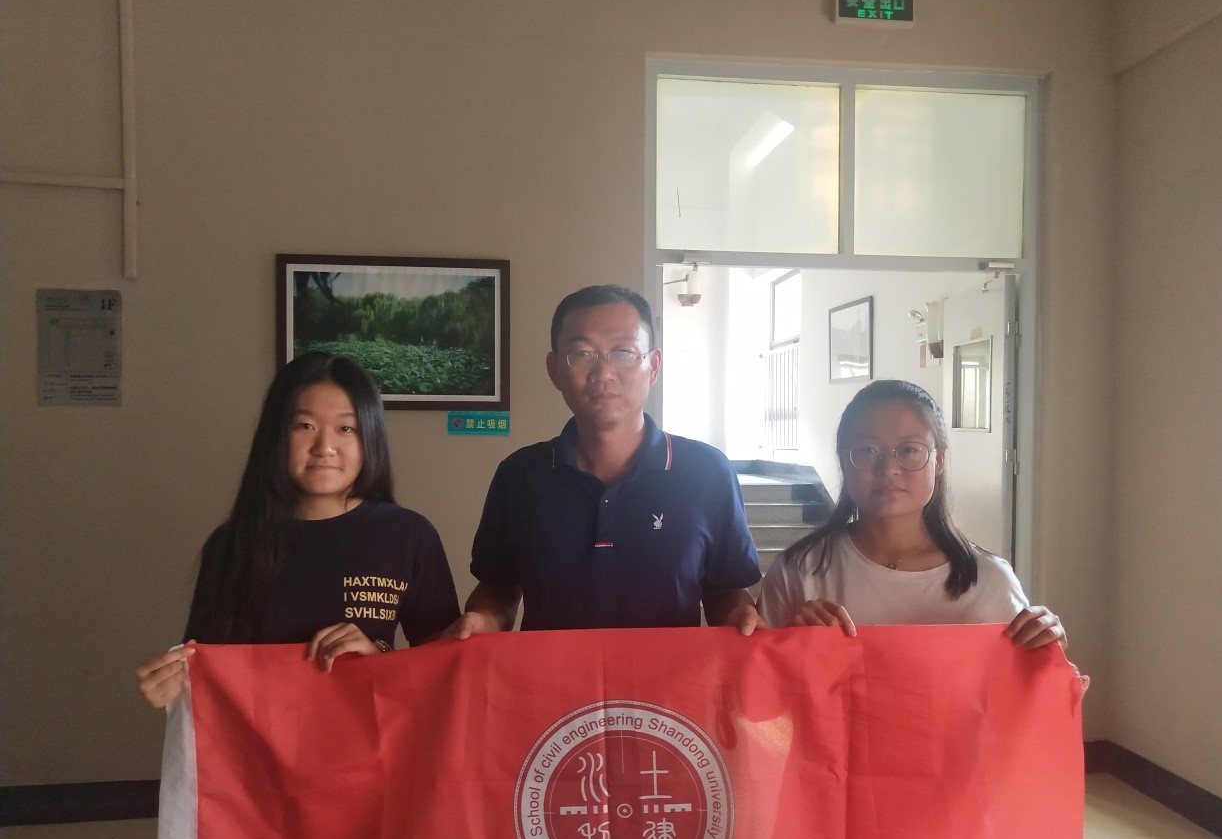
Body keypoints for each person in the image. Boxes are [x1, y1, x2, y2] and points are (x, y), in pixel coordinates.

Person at [136, 352, 459, 707]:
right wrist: (170, 687)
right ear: (275, 435)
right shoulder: (231, 545)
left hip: (369, 735)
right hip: (261, 738)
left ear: (370, 438)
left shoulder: (408, 536)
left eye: (346, 428)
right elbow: (205, 667)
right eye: (304, 426)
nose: (324, 447)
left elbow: (443, 668)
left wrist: (377, 657)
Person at [449, 284, 761, 637]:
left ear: (654, 366)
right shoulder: (519, 476)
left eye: (623, 352)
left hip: (667, 675)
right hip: (550, 674)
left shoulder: (707, 472)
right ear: (554, 370)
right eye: (582, 353)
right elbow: (499, 592)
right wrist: (481, 621)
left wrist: (740, 616)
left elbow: (725, 594)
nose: (603, 373)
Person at [758, 379, 1066, 648]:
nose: (888, 469)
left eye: (909, 450)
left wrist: (1045, 647)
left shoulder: (989, 580)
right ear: (842, 459)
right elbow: (759, 689)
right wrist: (791, 644)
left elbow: (1024, 689)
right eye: (867, 450)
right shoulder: (798, 572)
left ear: (939, 460)